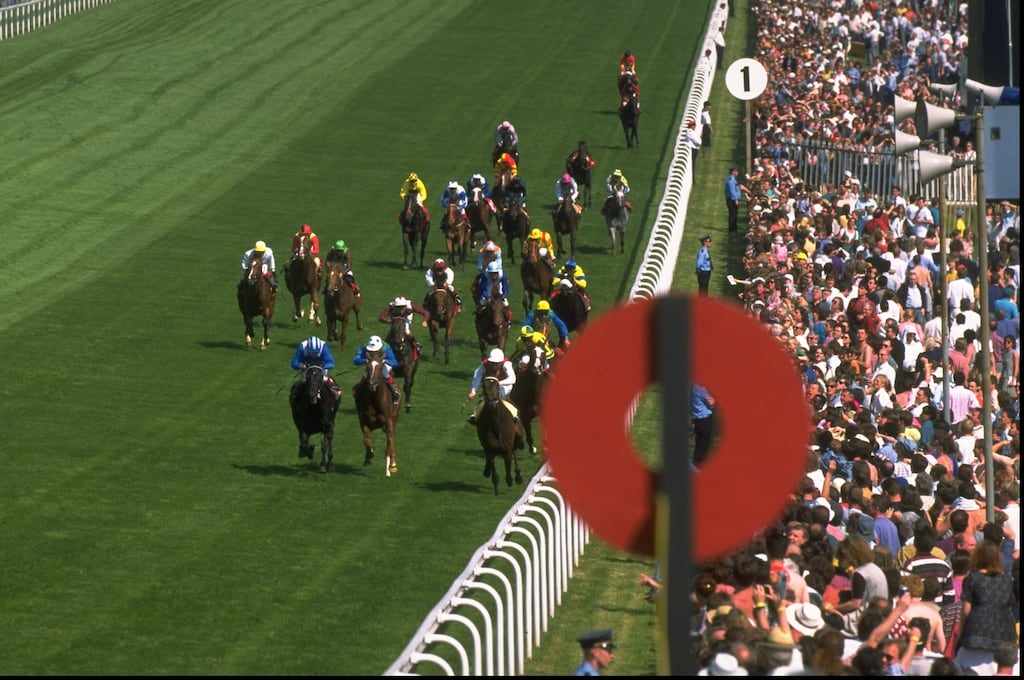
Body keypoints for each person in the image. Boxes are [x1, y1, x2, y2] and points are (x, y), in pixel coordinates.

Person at [953, 540, 1019, 675]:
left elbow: (966, 609)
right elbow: (1010, 605)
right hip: (1003, 629)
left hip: (977, 628)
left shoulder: (973, 578)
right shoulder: (1006, 580)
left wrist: (961, 634)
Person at [467, 348, 519, 425]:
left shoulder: (506, 364)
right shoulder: (485, 364)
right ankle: (475, 415)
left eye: (496, 363)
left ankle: (514, 414)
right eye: (492, 362)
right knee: (484, 398)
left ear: (500, 362)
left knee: (501, 397)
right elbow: (478, 375)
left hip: (504, 386)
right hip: (491, 386)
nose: (494, 364)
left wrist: (498, 383)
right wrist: (473, 390)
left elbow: (512, 379)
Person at [352, 335, 401, 406]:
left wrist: (384, 361)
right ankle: (358, 389)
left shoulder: (386, 347)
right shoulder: (364, 347)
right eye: (371, 351)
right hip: (371, 364)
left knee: (385, 373)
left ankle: (395, 391)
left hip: (384, 364)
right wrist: (364, 360)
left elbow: (394, 362)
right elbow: (355, 360)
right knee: (367, 374)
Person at [290, 335, 340, 402]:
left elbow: (331, 363)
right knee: (304, 380)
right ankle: (296, 394)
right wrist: (302, 366)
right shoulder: (302, 347)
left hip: (321, 368)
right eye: (312, 353)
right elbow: (294, 363)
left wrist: (323, 366)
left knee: (324, 379)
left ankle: (334, 391)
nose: (314, 355)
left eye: (316, 353)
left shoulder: (323, 347)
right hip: (307, 369)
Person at [692, 383, 715, 466]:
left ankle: (696, 465)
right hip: (704, 421)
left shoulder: (693, 386)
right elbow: (711, 403)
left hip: (696, 420)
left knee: (699, 446)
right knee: (702, 448)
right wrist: (714, 401)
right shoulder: (700, 388)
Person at [724, 165, 750, 233]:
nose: (737, 173)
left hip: (733, 199)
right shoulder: (730, 180)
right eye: (736, 171)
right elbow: (732, 191)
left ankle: (734, 229)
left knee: (734, 214)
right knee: (733, 215)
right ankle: (732, 229)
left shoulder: (732, 179)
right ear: (733, 172)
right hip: (732, 200)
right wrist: (735, 199)